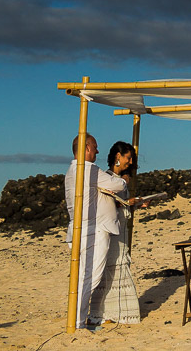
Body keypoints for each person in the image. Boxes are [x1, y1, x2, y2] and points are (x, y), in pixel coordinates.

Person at [63, 133, 128, 329]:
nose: (98, 151)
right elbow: (116, 184)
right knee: (90, 277)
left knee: (82, 275)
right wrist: (124, 178)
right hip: (93, 230)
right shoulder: (88, 169)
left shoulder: (71, 172)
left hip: (78, 229)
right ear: (87, 148)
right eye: (95, 147)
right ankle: (77, 321)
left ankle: (76, 318)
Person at [89, 141, 141, 324]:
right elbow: (106, 203)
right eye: (128, 157)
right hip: (110, 229)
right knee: (110, 266)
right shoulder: (106, 177)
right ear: (118, 157)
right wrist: (126, 202)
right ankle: (102, 312)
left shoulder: (123, 180)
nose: (130, 161)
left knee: (118, 265)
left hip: (121, 229)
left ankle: (116, 311)